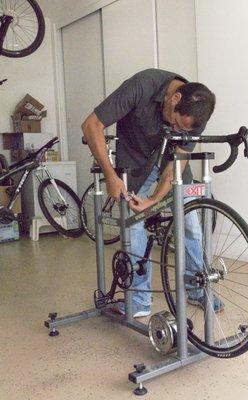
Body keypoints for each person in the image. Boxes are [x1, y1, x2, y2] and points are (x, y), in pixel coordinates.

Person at [81, 68, 224, 317]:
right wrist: (112, 177)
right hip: (137, 164)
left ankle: (197, 290)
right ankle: (138, 300)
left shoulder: (198, 113)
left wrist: (156, 200)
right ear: (175, 98)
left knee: (190, 224)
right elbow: (91, 124)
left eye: (182, 128)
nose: (174, 127)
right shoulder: (142, 85)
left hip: (170, 167)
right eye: (175, 122)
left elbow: (179, 159)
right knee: (133, 223)